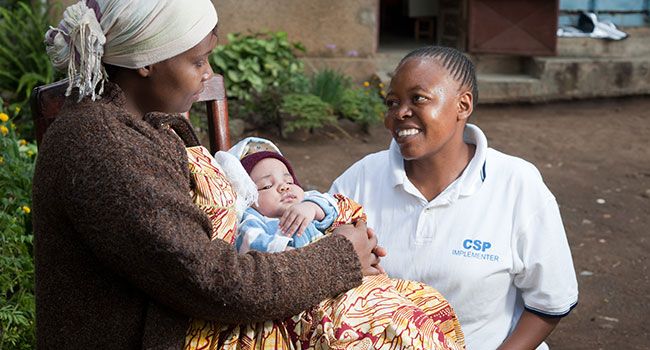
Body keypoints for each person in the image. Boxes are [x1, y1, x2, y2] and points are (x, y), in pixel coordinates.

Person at [32, 1, 381, 348]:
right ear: (146, 61)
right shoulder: (104, 148)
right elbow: (213, 281)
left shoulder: (132, 125)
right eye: (198, 60)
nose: (208, 73)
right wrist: (340, 257)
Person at [330, 46, 579, 350]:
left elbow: (549, 301)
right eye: (392, 102)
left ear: (463, 105)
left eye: (418, 98)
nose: (400, 113)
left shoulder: (517, 184)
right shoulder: (361, 179)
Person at [183, 137, 464, 350]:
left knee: (425, 299)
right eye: (266, 186)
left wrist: (310, 208)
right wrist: (300, 257)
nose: (283, 187)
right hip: (313, 291)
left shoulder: (307, 208)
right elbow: (257, 251)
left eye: (288, 180)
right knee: (382, 322)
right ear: (247, 199)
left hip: (354, 277)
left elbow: (330, 205)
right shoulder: (255, 223)